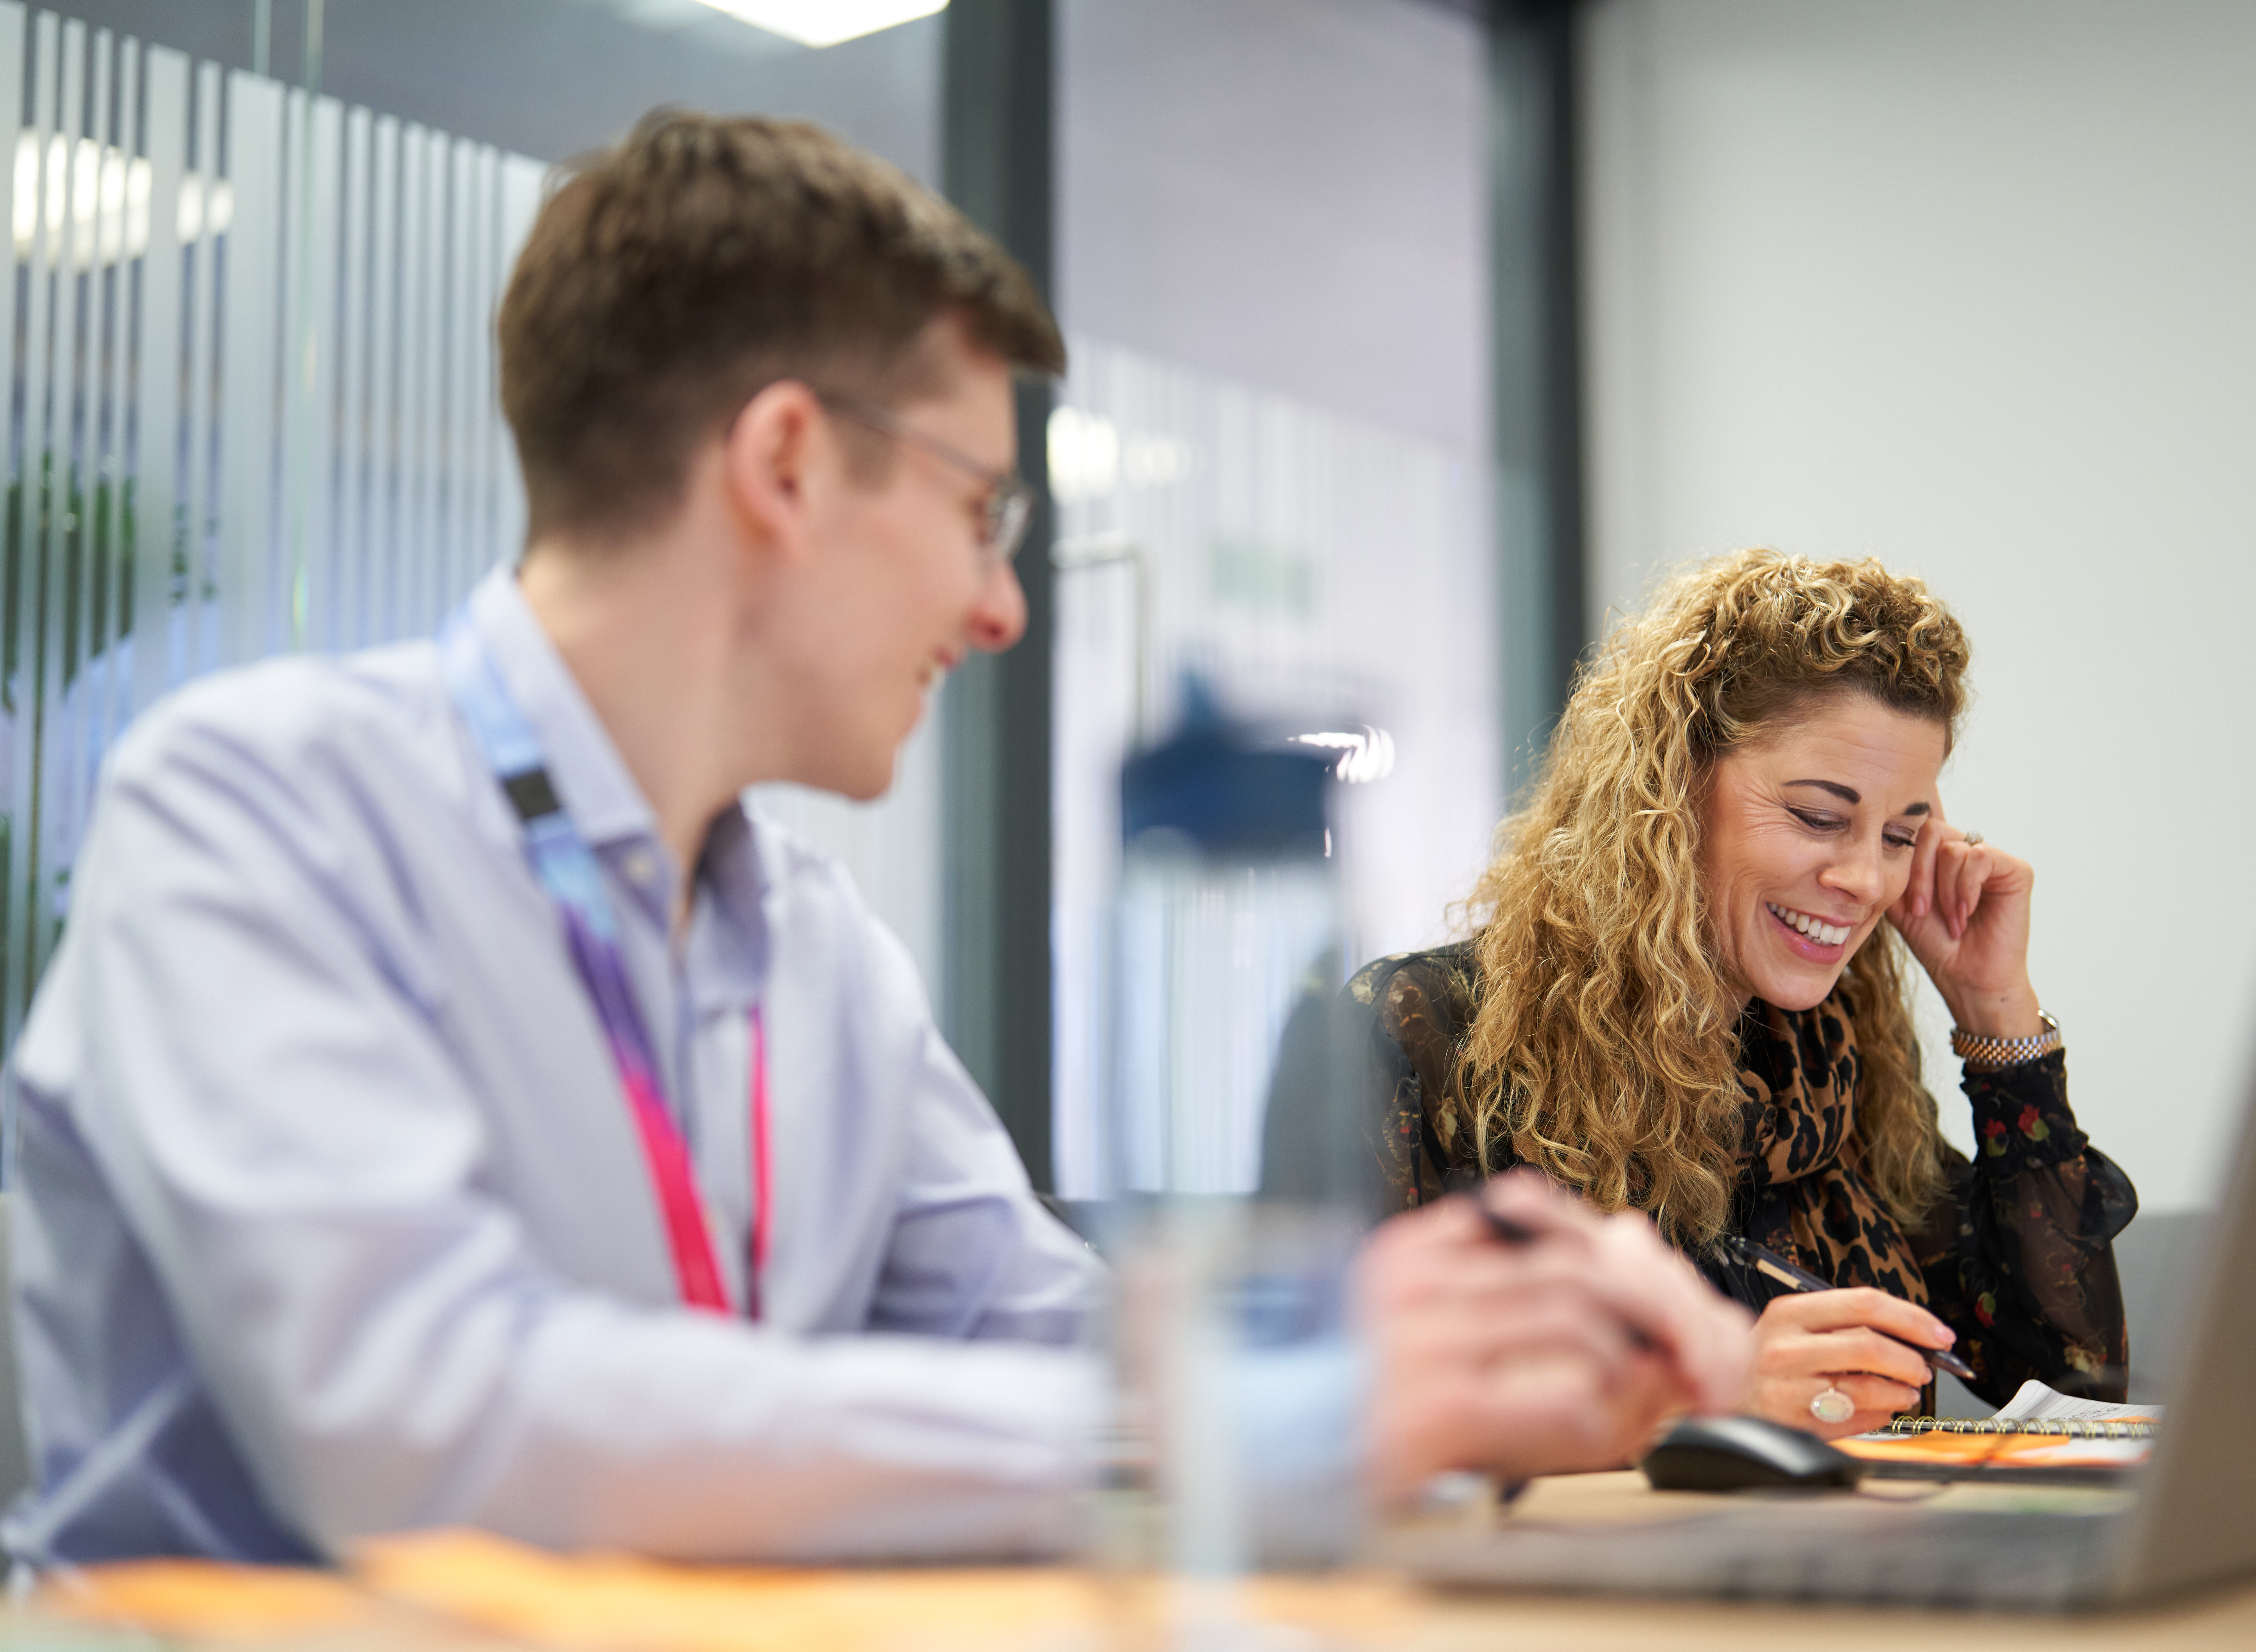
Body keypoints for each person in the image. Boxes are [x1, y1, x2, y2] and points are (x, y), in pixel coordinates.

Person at [0, 111, 1751, 1568]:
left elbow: (1059, 1335)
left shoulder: (808, 937)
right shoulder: (258, 807)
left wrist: (1465, 1329)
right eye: (977, 510)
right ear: (783, 462)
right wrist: (1264, 1402)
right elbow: (417, 1419)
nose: (1000, 608)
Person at [1346, 548, 2136, 1440]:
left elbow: (2072, 1377)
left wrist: (1995, 1012)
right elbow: (1343, 1424)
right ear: (1670, 786)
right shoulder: (1424, 1032)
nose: (1866, 881)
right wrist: (1698, 1399)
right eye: (1819, 817)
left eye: (1900, 837)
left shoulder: (1835, 1060)